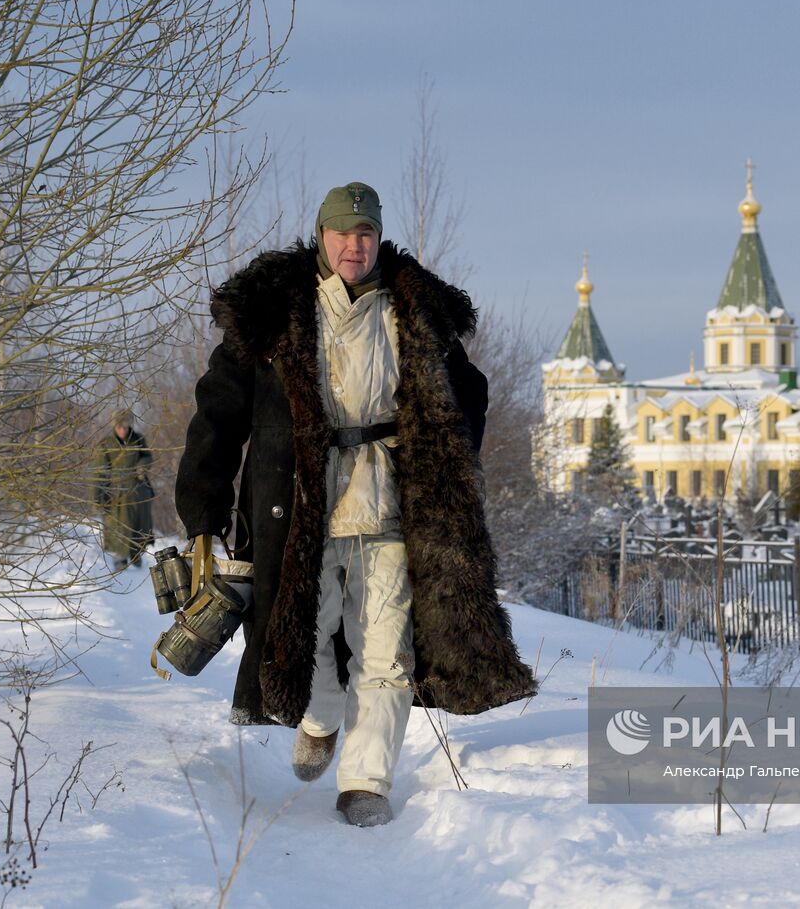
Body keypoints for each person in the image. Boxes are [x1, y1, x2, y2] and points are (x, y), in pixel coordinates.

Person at [174, 182, 536, 827]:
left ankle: (366, 781)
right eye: (342, 233)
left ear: (378, 238)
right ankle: (320, 716)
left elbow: (469, 394)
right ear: (322, 237)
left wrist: (446, 460)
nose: (353, 244)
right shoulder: (273, 314)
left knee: (386, 651)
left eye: (364, 233)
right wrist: (202, 513)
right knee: (306, 638)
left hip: (392, 504)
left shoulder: (413, 312)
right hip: (300, 507)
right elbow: (216, 419)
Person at [93, 408, 154, 571]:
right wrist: (98, 495)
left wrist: (142, 466)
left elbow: (147, 457)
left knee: (138, 524)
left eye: (126, 427)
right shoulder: (105, 444)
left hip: (137, 490)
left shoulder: (138, 440)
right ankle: (120, 558)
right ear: (114, 427)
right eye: (119, 427)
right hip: (115, 493)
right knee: (117, 525)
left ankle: (136, 553)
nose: (123, 430)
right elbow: (100, 471)